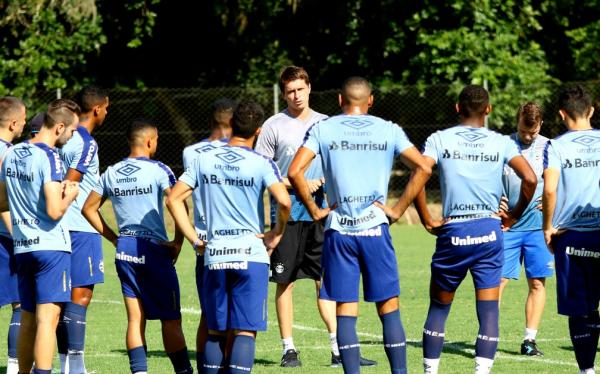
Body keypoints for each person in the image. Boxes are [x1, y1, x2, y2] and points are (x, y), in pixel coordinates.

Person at [288, 76, 432, 374]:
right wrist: (397, 209)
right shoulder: (389, 129)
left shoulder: (323, 128)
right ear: (371, 101)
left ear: (340, 101)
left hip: (340, 230)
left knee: (346, 309)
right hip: (376, 230)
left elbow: (294, 171)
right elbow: (423, 166)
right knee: (388, 307)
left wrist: (316, 209)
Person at [256, 66, 375, 367]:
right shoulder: (273, 126)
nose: (296, 96)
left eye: (300, 89)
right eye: (290, 91)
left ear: (309, 88)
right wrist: (295, 182)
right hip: (287, 216)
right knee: (286, 282)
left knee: (326, 282)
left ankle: (339, 349)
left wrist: (327, 184)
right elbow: (260, 171)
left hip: (323, 216)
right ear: (283, 93)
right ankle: (288, 349)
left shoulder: (326, 124)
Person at [413, 85, 537, 374]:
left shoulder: (439, 138)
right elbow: (530, 178)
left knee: (439, 307)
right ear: (488, 110)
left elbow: (420, 172)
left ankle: (430, 371)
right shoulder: (501, 143)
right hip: (489, 232)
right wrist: (514, 215)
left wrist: (427, 218)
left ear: (457, 108)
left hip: (453, 232)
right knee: (489, 310)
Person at [167, 100, 291, 373]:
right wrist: (276, 233)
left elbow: (174, 199)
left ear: (231, 124)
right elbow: (284, 202)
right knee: (245, 331)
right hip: (251, 254)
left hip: (215, 254)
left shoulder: (204, 159)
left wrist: (194, 239)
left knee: (215, 330)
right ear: (258, 131)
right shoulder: (262, 162)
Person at [82, 119, 193, 374]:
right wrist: (177, 241)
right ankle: (184, 371)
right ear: (150, 141)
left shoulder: (111, 171)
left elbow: (88, 208)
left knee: (135, 318)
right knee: (171, 318)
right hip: (152, 250)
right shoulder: (159, 169)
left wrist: (113, 238)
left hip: (125, 248)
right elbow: (177, 203)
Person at [0, 99, 81, 374]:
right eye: (71, 132)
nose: (71, 139)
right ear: (59, 127)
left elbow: (2, 199)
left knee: (28, 318)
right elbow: (54, 210)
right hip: (51, 248)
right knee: (49, 319)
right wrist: (69, 194)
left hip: (22, 247)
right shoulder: (50, 156)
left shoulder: (12, 153)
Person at [542, 85, 600, 374]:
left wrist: (548, 227)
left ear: (562, 114)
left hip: (573, 236)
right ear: (591, 110)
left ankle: (586, 370)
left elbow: (549, 189)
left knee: (580, 308)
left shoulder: (556, 146)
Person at [57, 86, 109, 374]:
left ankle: (67, 364)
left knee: (63, 299)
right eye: (107, 108)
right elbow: (71, 181)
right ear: (98, 108)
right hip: (81, 227)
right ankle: (75, 367)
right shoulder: (87, 142)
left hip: (62, 228)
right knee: (80, 298)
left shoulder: (63, 137)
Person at [181, 98, 235, 370]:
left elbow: (181, 197)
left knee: (208, 314)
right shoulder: (244, 151)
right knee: (237, 317)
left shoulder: (191, 152)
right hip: (239, 244)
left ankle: (206, 367)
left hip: (204, 243)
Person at [498, 102, 553, 356]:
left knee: (537, 284)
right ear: (517, 121)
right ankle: (488, 336)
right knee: (496, 283)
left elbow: (561, 180)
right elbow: (488, 177)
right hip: (507, 226)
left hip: (537, 229)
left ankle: (529, 341)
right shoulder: (503, 145)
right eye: (523, 131)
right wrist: (494, 198)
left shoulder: (550, 148)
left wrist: (556, 198)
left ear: (540, 124)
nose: (527, 136)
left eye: (532, 132)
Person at [0, 97, 26, 374]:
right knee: (21, 303)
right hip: (7, 238)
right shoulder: (10, 155)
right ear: (13, 123)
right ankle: (14, 366)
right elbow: (3, 202)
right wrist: (19, 236)